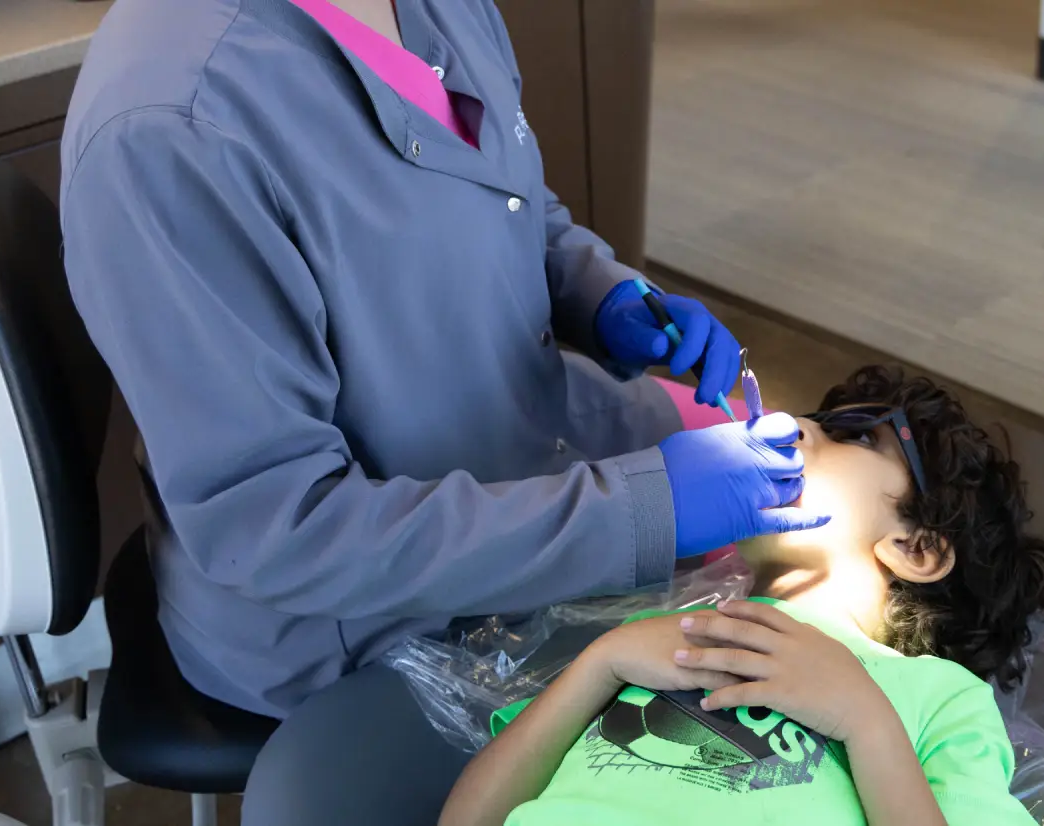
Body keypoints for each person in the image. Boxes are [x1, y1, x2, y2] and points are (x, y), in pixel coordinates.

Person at [59, 0, 831, 742]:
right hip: (352, 604)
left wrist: (602, 295)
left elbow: (504, 197)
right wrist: (637, 513)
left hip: (520, 434)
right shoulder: (172, 129)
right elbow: (280, 531)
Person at [438, 366, 1044, 826]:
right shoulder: (662, 640)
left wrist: (864, 719)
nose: (792, 426)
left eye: (855, 435)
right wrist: (602, 662)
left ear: (918, 548)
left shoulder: (935, 698)